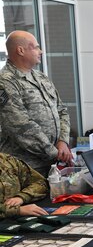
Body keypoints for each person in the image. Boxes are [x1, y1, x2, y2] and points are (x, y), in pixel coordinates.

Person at [0, 30, 73, 176]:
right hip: (25, 167)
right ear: (20, 50)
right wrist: (55, 153)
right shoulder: (5, 81)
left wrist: (63, 141)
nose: (41, 51)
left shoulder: (41, 78)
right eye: (36, 47)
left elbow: (61, 110)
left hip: (52, 161)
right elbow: (20, 126)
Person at [0, 152, 49, 218]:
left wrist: (22, 197)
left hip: (17, 216)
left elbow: (41, 183)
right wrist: (17, 210)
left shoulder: (8, 161)